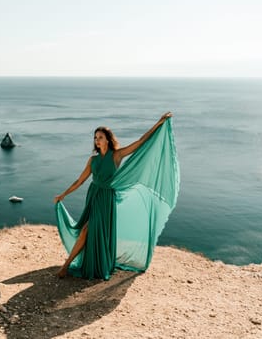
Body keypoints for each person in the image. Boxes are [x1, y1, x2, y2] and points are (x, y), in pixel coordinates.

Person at [54, 112, 174, 280]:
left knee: (88, 230)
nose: (97, 140)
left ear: (108, 139)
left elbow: (140, 142)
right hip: (94, 196)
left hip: (107, 198)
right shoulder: (93, 160)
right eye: (95, 138)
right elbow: (80, 181)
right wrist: (63, 194)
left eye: (100, 137)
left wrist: (158, 123)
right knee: (89, 231)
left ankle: (66, 266)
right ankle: (84, 263)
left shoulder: (117, 155)